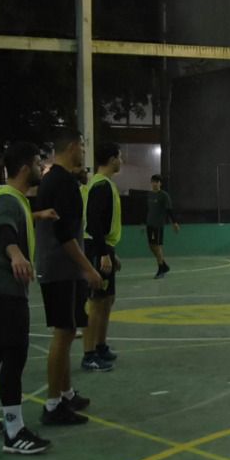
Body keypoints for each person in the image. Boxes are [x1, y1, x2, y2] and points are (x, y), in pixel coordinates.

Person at [0, 141, 55, 454]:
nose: (40, 169)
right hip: (5, 288)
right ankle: (14, 432)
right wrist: (16, 253)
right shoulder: (8, 201)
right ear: (23, 168)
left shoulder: (11, 198)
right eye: (36, 164)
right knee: (14, 356)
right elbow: (4, 231)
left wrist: (38, 215)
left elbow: (13, 219)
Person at [34, 129, 104, 426]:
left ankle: (65, 393)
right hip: (61, 269)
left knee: (68, 329)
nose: (85, 153)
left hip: (61, 268)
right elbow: (64, 235)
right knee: (63, 334)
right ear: (73, 147)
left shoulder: (56, 179)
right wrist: (87, 267)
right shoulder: (61, 183)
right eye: (83, 147)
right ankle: (53, 405)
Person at [81, 143, 124, 371]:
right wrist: (102, 253)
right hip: (96, 247)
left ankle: (100, 346)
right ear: (111, 158)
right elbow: (94, 221)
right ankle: (89, 354)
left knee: (107, 300)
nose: (122, 161)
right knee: (96, 302)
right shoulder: (100, 186)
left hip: (104, 246)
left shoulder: (106, 184)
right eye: (119, 157)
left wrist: (110, 252)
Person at [145, 174, 180, 279]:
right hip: (149, 224)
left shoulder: (164, 195)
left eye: (156, 182)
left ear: (160, 183)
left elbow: (169, 210)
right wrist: (143, 223)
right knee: (152, 246)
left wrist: (174, 223)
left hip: (158, 225)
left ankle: (161, 269)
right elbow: (148, 210)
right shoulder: (149, 195)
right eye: (153, 181)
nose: (154, 184)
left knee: (158, 246)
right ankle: (164, 265)